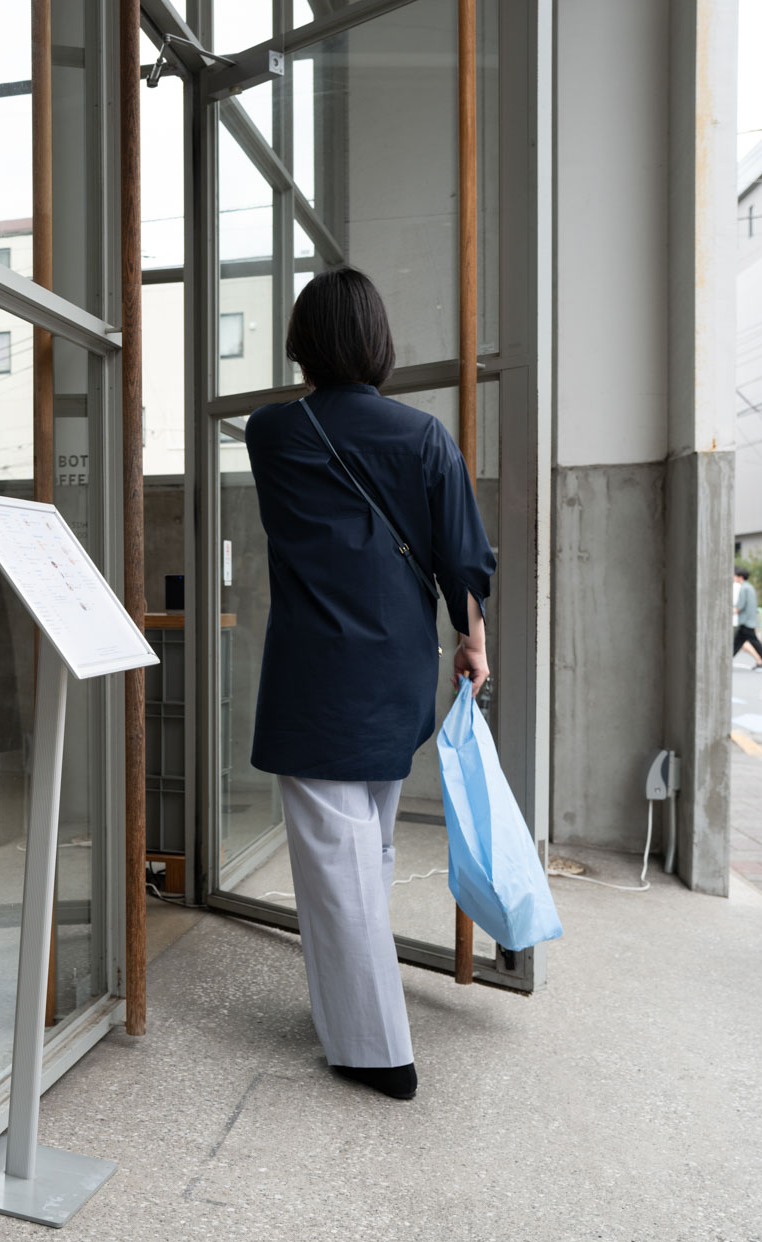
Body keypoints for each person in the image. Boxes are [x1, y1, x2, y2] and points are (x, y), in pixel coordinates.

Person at [244, 266, 496, 1102]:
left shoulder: (271, 434)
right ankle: (350, 1011)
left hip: (315, 666)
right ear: (380, 343)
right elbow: (464, 556)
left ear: (301, 342)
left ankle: (377, 1047)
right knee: (369, 850)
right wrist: (473, 643)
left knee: (335, 859)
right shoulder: (423, 436)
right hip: (395, 662)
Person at [732, 568, 762, 668]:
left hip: (746, 621)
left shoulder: (744, 588)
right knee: (737, 643)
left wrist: (731, 613)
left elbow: (740, 606)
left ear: (740, 577)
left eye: (735, 576)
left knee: (752, 642)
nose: (733, 578)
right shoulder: (750, 587)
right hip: (749, 620)